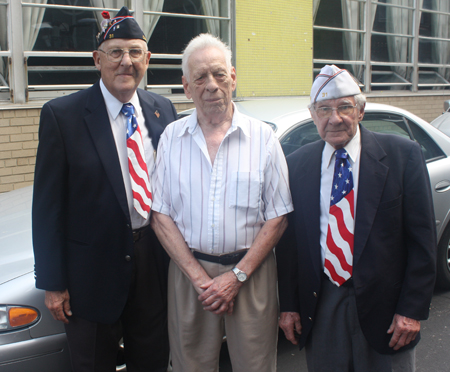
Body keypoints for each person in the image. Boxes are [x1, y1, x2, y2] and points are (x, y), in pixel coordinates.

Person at [32, 7, 177, 372]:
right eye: (115, 52)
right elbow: (48, 207)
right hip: (89, 275)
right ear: (97, 59)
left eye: (134, 52)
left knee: (153, 360)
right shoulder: (62, 116)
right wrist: (53, 283)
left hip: (153, 266)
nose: (125, 62)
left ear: (147, 59)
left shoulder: (163, 110)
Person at [277, 64, 437, 372]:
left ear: (360, 111)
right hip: (323, 304)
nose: (334, 118)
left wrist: (412, 310)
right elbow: (290, 247)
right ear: (313, 116)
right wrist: (289, 306)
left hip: (389, 312)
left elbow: (423, 242)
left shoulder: (403, 156)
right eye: (324, 109)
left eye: (344, 107)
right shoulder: (296, 165)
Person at [150, 33, 293, 372]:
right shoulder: (171, 137)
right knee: (190, 366)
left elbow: (279, 216)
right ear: (187, 87)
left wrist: (237, 276)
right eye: (200, 77)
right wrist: (200, 279)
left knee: (255, 366)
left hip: (251, 274)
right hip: (188, 276)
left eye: (218, 74)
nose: (211, 85)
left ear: (233, 77)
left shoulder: (263, 137)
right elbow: (160, 214)